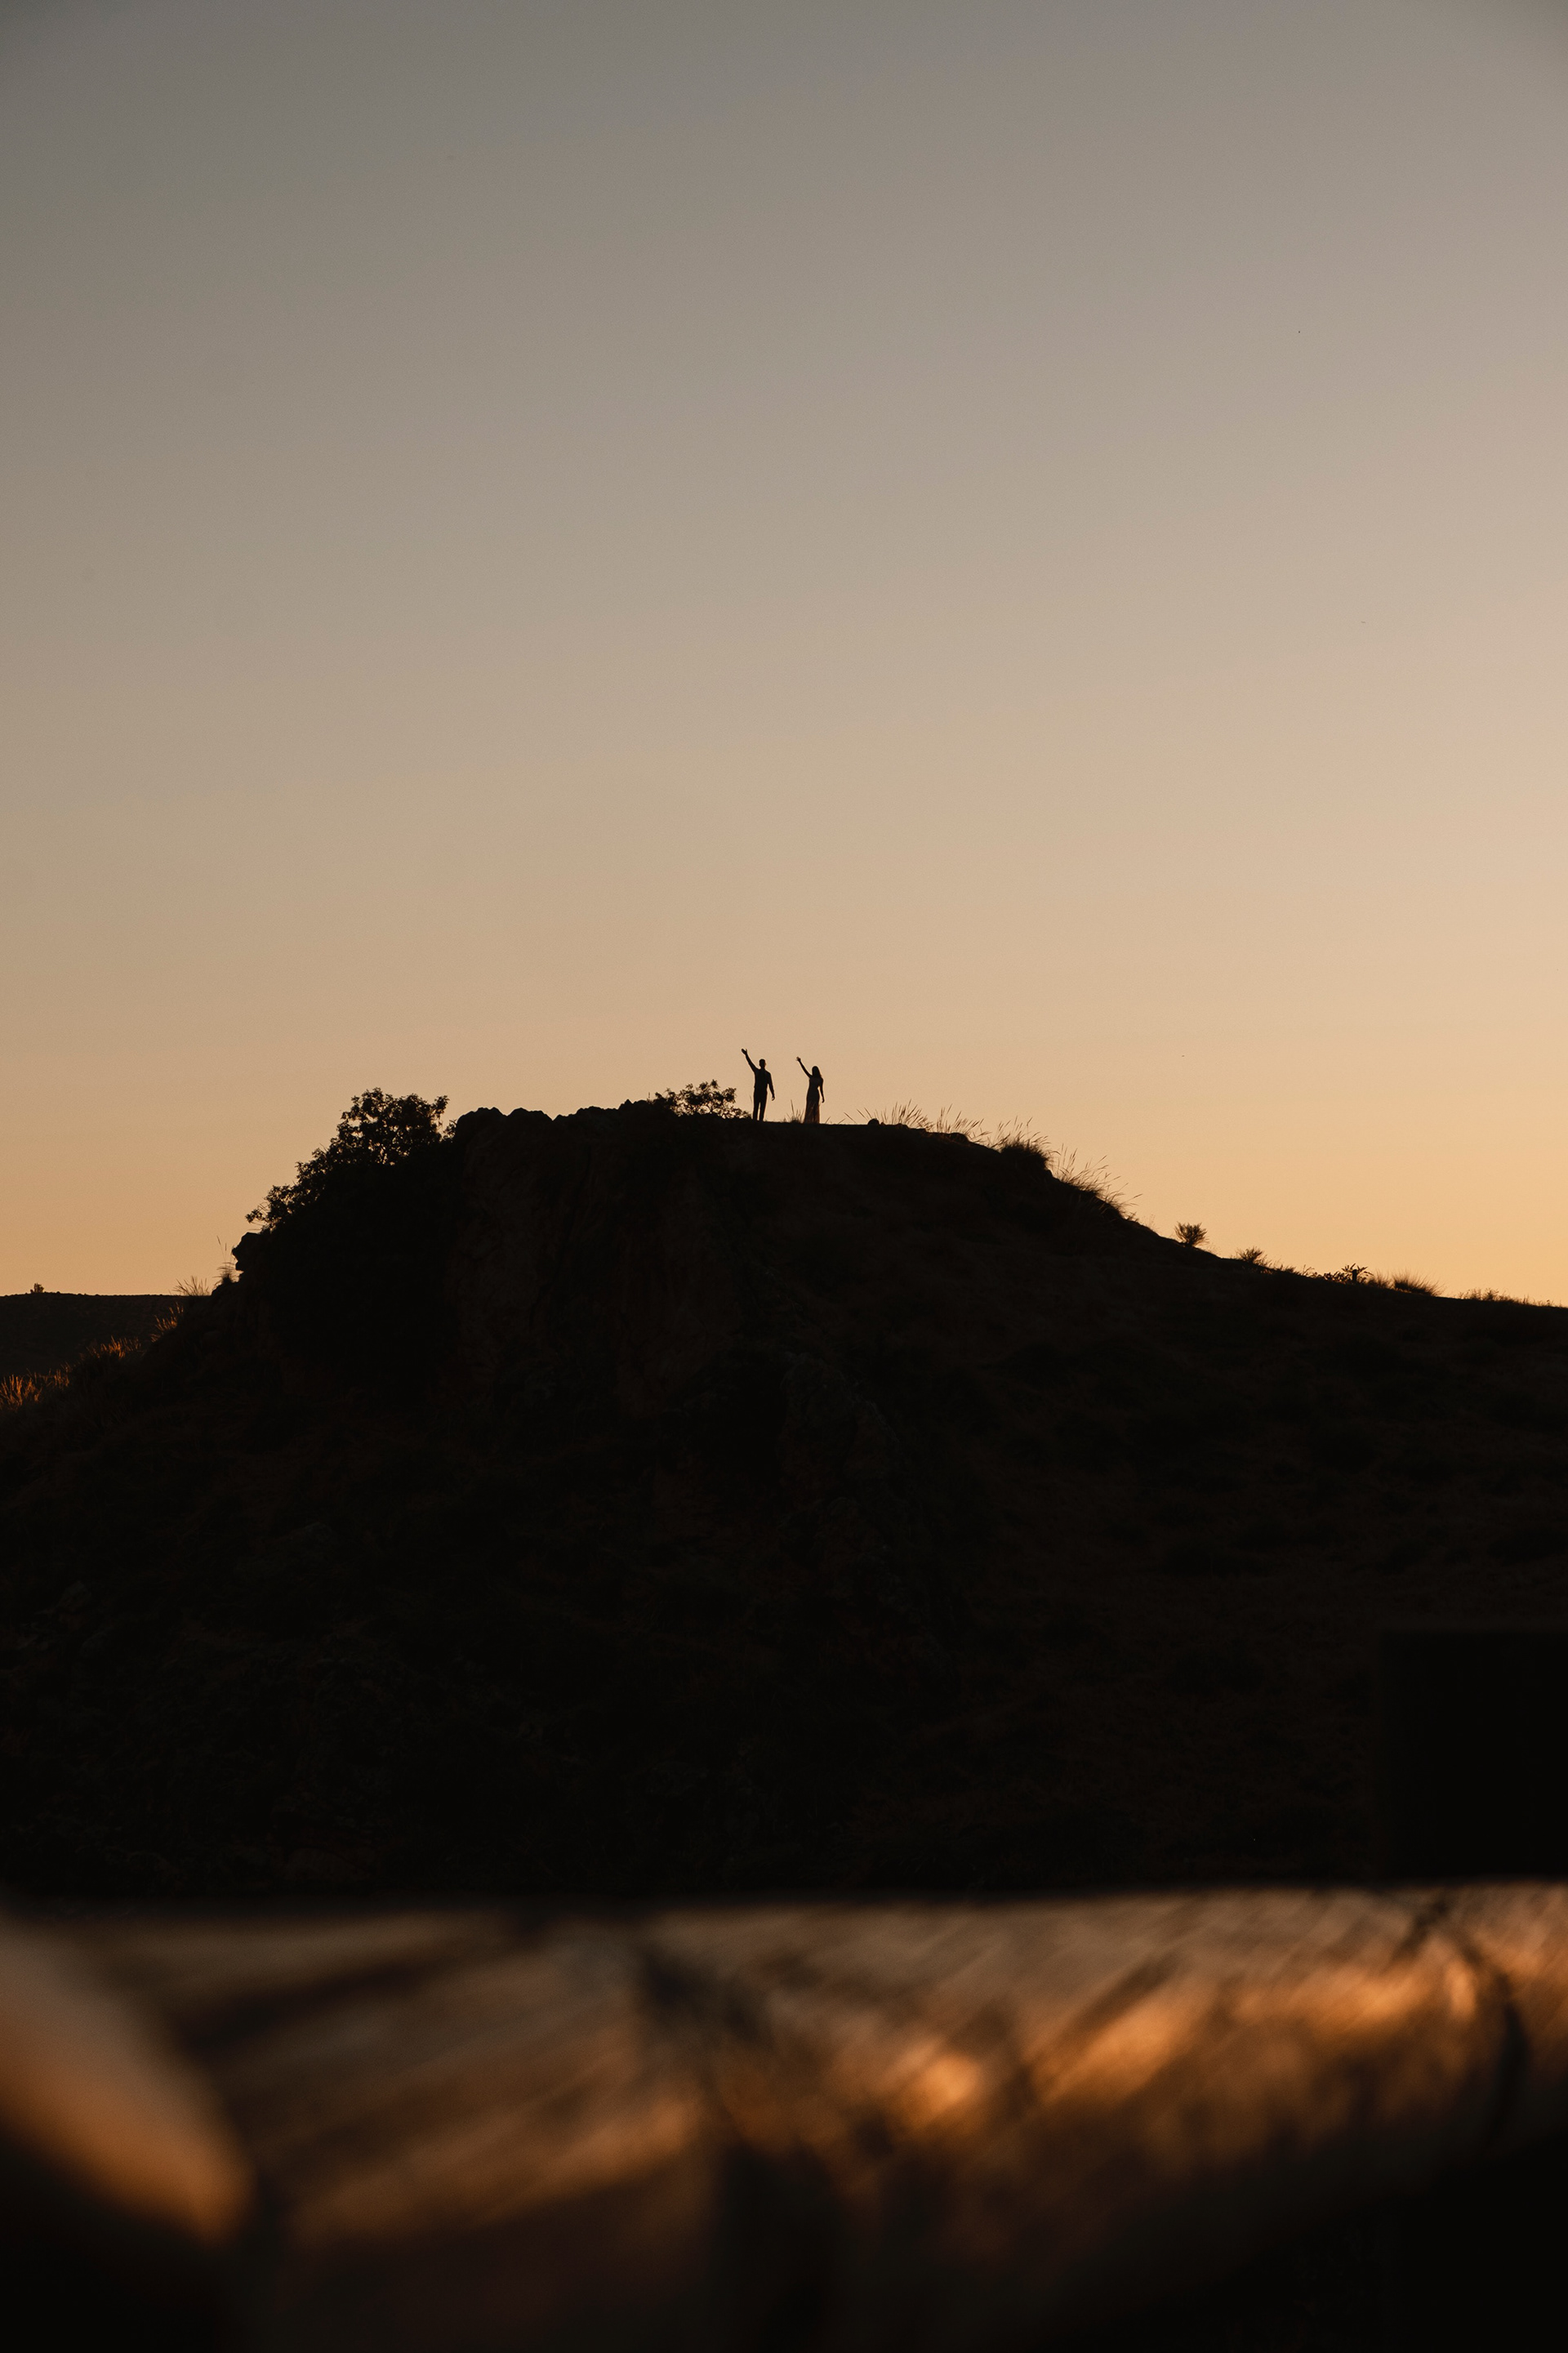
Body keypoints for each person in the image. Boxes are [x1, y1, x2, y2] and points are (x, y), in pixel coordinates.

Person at [742, 1049, 775, 1121]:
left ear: (765, 1064)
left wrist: (773, 1093)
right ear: (760, 1064)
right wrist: (746, 1055)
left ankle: (760, 1121)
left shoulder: (768, 1074)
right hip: (757, 1091)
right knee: (756, 1107)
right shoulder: (757, 1072)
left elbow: (770, 1084)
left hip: (764, 1092)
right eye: (761, 1063)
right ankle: (755, 1121)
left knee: (762, 1108)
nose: (762, 1064)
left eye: (763, 1063)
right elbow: (750, 1063)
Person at [796, 1058, 825, 1125]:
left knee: (815, 1107)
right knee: (809, 1106)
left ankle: (815, 1120)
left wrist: (823, 1097)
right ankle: (809, 1120)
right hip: (810, 1093)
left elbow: (821, 1089)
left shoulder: (820, 1079)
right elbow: (805, 1070)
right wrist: (800, 1062)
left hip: (815, 1094)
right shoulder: (812, 1077)